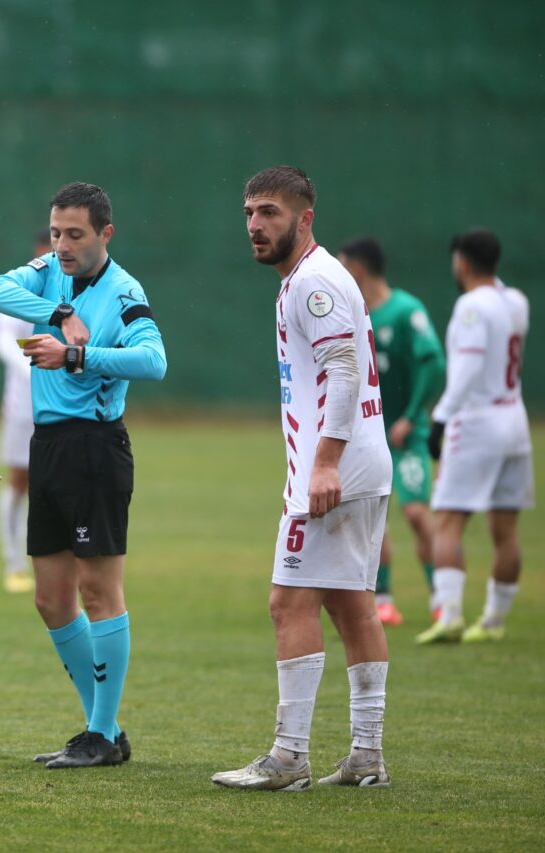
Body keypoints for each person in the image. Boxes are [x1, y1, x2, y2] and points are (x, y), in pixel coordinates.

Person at [212, 166, 393, 792]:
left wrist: (322, 463)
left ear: (305, 217)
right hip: (362, 464)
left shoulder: (314, 280)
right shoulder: (312, 277)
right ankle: (367, 756)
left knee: (288, 602)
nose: (255, 225)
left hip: (337, 468)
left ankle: (289, 758)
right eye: (249, 213)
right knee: (350, 605)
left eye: (269, 212)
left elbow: (343, 368)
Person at [0, 182, 166, 769]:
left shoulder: (125, 292)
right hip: (49, 447)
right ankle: (102, 730)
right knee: (51, 598)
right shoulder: (50, 273)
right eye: (56, 232)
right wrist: (58, 312)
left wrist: (78, 355)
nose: (61, 244)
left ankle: (101, 731)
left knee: (98, 593)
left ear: (105, 234)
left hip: (95, 448)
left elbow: (154, 360)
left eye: (75, 235)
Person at [417, 229, 533, 644]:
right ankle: (494, 622)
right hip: (515, 419)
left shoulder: (470, 306)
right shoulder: (516, 300)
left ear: (462, 262)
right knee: (506, 528)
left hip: (479, 420)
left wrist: (442, 418)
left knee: (447, 520)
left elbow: (467, 368)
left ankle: (449, 615)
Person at [338, 237, 446, 625]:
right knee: (373, 518)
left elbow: (434, 364)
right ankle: (383, 598)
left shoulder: (405, 311)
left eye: (342, 263)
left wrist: (413, 415)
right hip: (368, 436)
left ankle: (441, 597)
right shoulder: (352, 313)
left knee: (417, 513)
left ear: (359, 269)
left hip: (406, 435)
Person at [0, 228, 52, 594]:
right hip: (23, 408)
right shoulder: (20, 291)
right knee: (19, 482)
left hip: (66, 409)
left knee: (55, 486)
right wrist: (31, 367)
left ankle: (49, 563)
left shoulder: (82, 290)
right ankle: (14, 563)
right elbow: (3, 342)